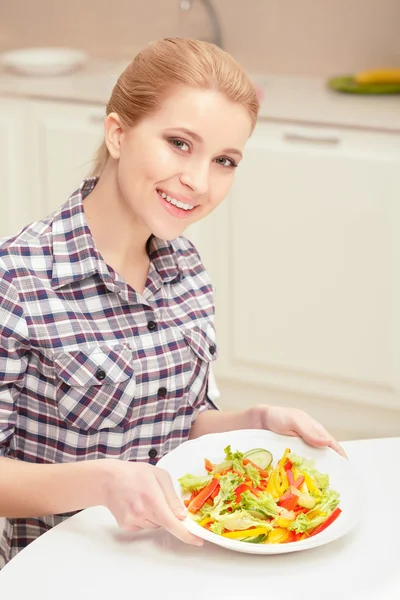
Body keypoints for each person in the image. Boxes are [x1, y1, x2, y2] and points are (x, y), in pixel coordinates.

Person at [0, 37, 345, 568]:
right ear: (118, 133)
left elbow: (172, 422)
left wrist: (256, 418)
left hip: (173, 561)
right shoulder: (19, 281)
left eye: (224, 160)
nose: (199, 182)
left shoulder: (187, 271)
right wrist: (102, 481)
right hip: (55, 573)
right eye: (180, 143)